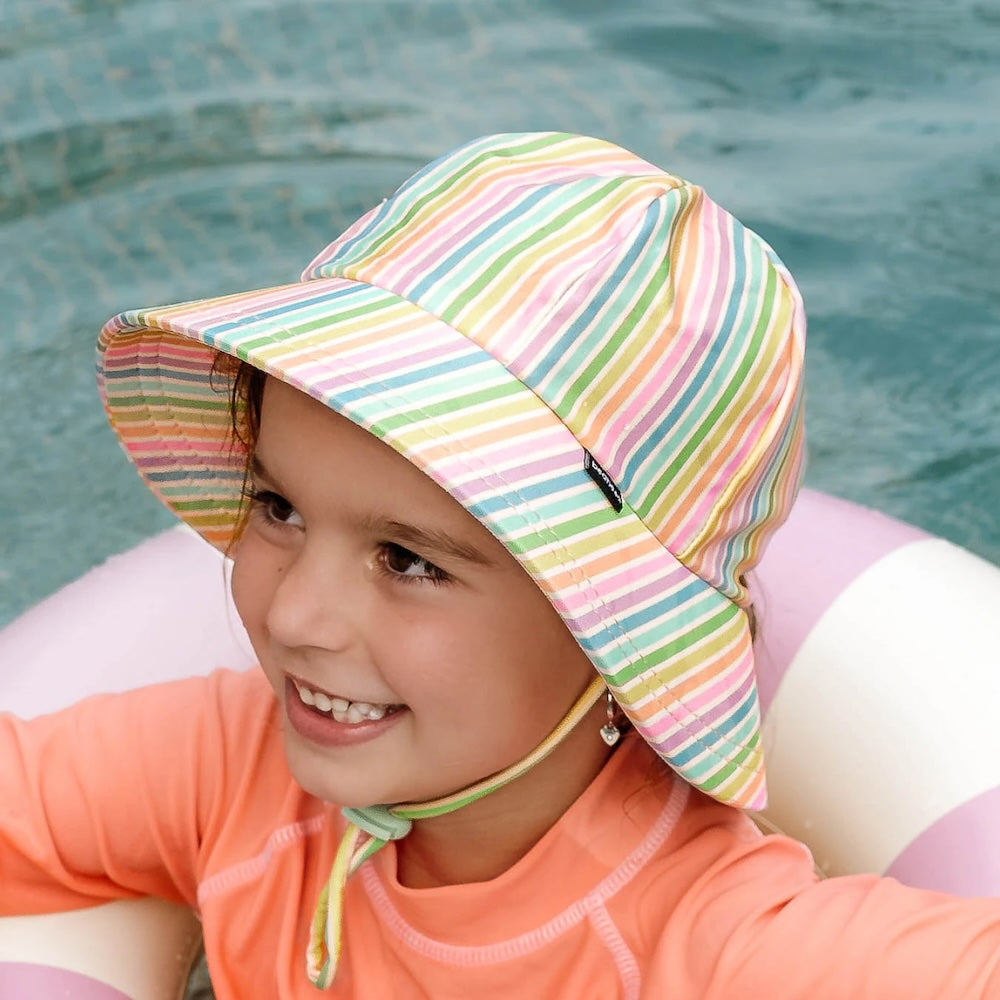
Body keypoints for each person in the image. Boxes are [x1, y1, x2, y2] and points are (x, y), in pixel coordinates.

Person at [2, 131, 999, 999]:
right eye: (279, 507)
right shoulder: (234, 772)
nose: (297, 614)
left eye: (406, 559)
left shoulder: (714, 948)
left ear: (615, 629)